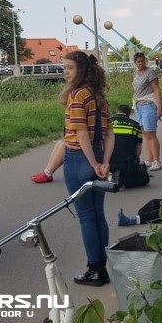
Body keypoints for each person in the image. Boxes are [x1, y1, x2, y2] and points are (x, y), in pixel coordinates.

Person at [60, 51, 115, 287]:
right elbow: (109, 133)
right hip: (99, 153)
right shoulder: (99, 97)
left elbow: (81, 133)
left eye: (69, 68)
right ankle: (102, 265)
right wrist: (104, 162)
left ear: (80, 70)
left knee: (85, 216)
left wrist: (92, 163)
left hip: (77, 158)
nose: (66, 72)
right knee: (98, 215)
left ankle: (94, 268)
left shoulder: (77, 95)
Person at [132, 52, 162, 171]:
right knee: (145, 133)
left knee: (151, 133)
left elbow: (156, 90)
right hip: (139, 105)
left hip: (148, 104)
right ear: (135, 63)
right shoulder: (136, 73)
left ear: (145, 61)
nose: (140, 63)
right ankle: (149, 158)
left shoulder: (150, 73)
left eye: (142, 61)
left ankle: (156, 160)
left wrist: (159, 107)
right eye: (138, 62)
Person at [111, 104, 149, 189]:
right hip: (127, 163)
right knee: (145, 179)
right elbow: (138, 150)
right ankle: (124, 177)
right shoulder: (135, 125)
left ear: (117, 111)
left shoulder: (109, 122)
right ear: (129, 114)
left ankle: (115, 174)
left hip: (110, 161)